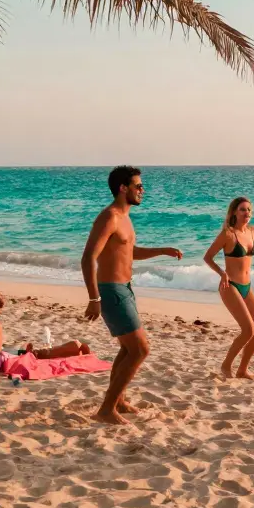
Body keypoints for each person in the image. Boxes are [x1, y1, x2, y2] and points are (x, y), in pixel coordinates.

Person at [81, 166, 182, 425]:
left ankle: (119, 401)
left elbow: (128, 252)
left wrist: (163, 250)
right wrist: (94, 298)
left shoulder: (125, 218)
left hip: (125, 288)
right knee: (139, 350)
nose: (142, 190)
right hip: (111, 291)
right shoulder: (110, 217)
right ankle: (106, 409)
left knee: (128, 349)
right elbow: (88, 257)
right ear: (123, 188)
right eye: (138, 186)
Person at [203, 197, 254, 379]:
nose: (247, 213)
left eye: (249, 210)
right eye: (242, 209)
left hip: (247, 286)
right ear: (234, 212)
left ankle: (242, 369)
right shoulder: (228, 234)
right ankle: (226, 366)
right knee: (248, 330)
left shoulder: (253, 231)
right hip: (229, 285)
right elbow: (208, 257)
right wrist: (222, 273)